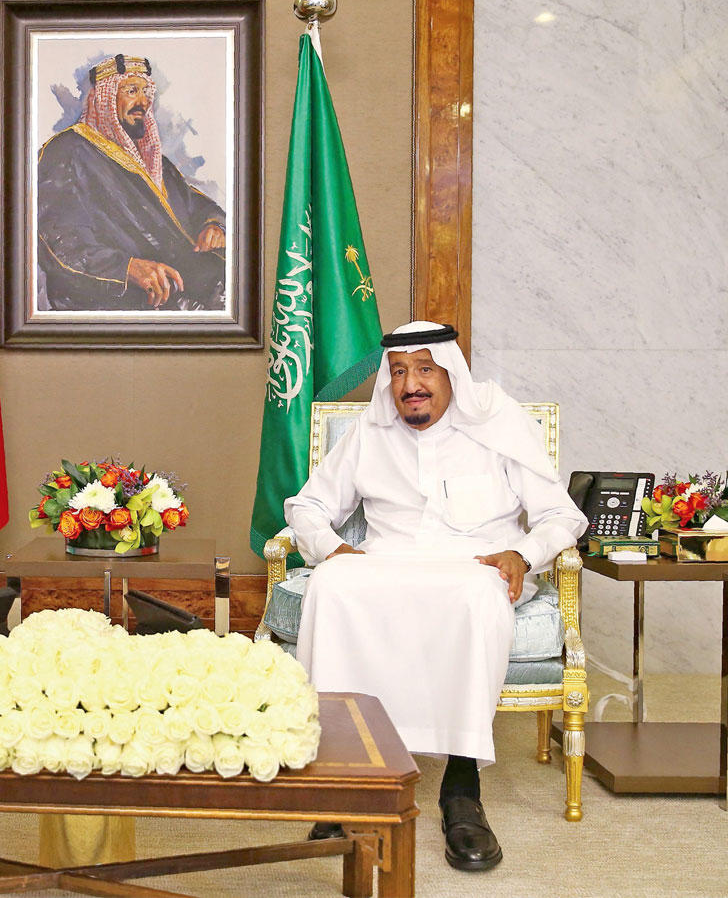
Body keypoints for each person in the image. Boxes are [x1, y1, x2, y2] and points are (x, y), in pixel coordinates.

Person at [285, 320, 586, 871]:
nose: (410, 385)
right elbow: (307, 506)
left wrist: (523, 554)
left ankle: (461, 788)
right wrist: (332, 548)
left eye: (424, 369)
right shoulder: (370, 431)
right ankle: (344, 778)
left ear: (451, 374)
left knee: (475, 594)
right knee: (331, 583)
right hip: (388, 564)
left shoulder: (497, 422)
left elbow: (561, 515)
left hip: (476, 566)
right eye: (399, 372)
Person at [36, 54, 227, 311]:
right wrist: (126, 269)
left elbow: (191, 202)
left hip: (186, 296)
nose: (143, 102)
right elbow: (58, 242)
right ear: (103, 99)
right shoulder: (67, 150)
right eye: (132, 91)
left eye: (147, 92)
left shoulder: (151, 160)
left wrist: (213, 224)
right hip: (112, 309)